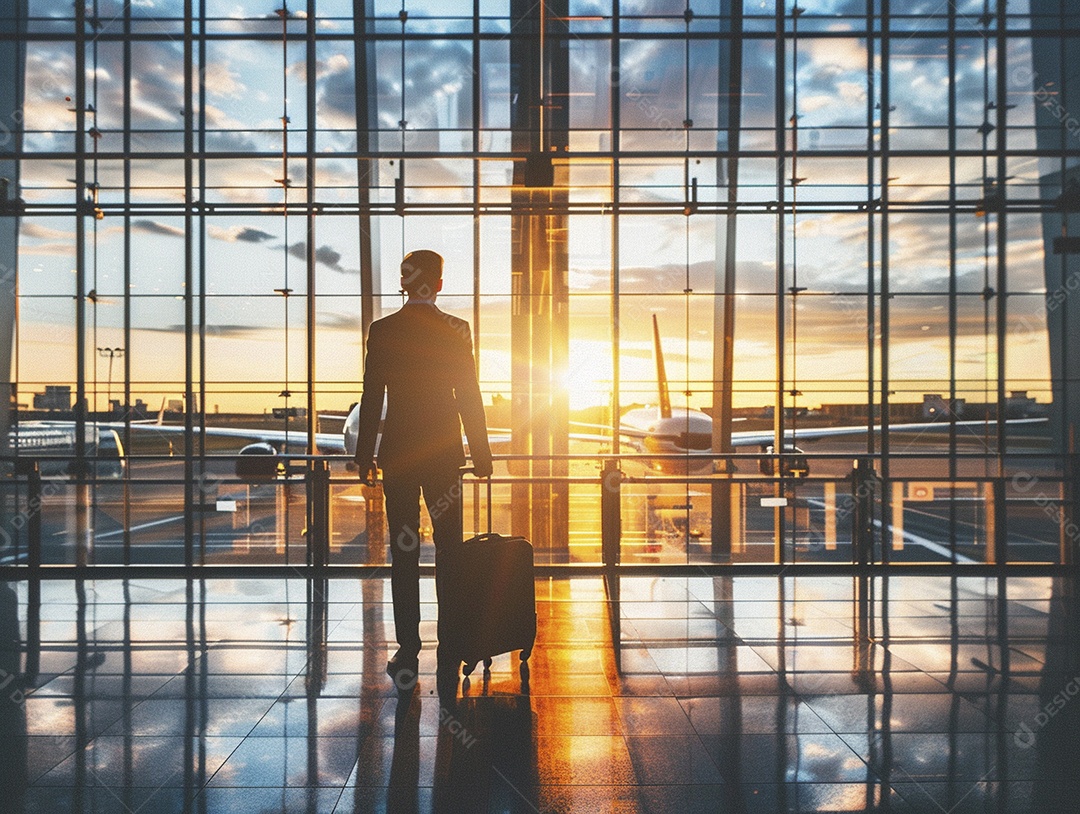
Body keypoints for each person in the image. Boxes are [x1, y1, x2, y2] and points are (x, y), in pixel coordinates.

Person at [353, 249, 493, 690]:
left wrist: (363, 454)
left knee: (404, 553)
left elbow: (372, 395)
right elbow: (469, 392)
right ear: (439, 283)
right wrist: (482, 450)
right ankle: (450, 641)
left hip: (398, 455)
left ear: (403, 281)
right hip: (443, 454)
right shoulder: (456, 330)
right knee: (449, 550)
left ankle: (408, 646)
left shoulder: (384, 330)